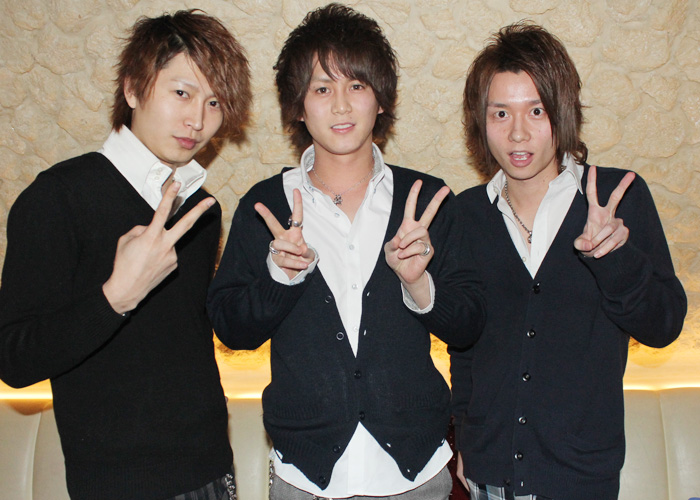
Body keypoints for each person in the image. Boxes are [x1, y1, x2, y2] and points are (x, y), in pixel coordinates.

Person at [207, 4, 485, 499]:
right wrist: (278, 279)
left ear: (381, 101)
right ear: (297, 106)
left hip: (415, 476)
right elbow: (231, 328)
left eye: (356, 85)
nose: (340, 106)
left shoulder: (426, 201)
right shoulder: (266, 206)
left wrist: (419, 284)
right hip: (304, 477)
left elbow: (468, 326)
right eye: (321, 89)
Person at [0, 10, 251, 500]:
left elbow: (185, 342)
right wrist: (115, 297)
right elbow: (13, 358)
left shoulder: (201, 209)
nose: (198, 120)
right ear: (133, 88)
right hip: (117, 485)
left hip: (211, 471)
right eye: (182, 93)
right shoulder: (58, 197)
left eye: (214, 102)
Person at [450, 21, 687, 500]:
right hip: (488, 475)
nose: (518, 133)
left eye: (536, 110)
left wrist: (615, 258)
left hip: (580, 477)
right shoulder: (467, 214)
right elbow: (466, 347)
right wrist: (464, 441)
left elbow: (663, 326)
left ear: (563, 112)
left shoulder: (615, 197)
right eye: (501, 113)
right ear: (480, 121)